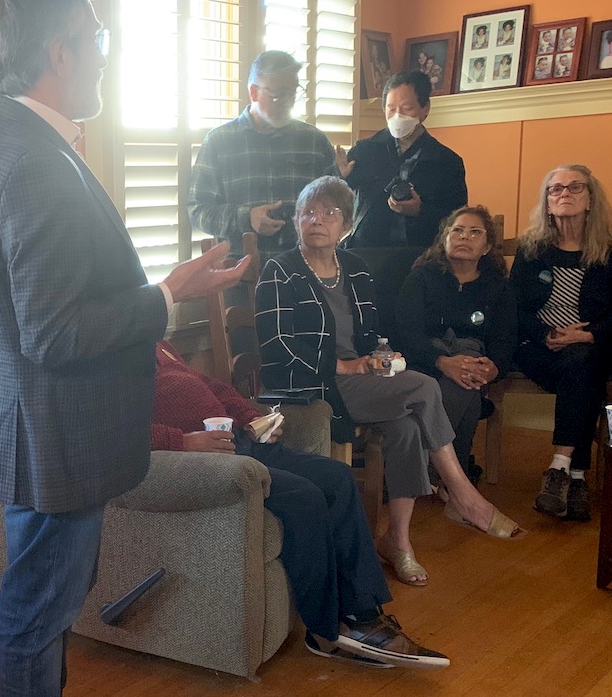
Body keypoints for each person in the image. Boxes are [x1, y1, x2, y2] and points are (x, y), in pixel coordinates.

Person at [0, 0, 251, 695]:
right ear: (62, 51)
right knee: (35, 615)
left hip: (31, 431)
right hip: (52, 438)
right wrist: (166, 296)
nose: (105, 53)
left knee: (37, 611)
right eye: (99, 37)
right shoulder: (33, 162)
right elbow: (52, 332)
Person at [256, 177, 523, 587]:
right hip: (311, 386)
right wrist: (345, 367)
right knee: (425, 387)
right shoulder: (279, 270)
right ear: (295, 220)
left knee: (406, 426)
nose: (317, 220)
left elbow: (371, 335)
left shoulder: (357, 270)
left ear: (346, 225)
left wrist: (384, 356)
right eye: (308, 212)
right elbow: (276, 347)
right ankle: (462, 494)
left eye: (329, 213)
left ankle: (396, 541)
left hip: (359, 380)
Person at [151, 340, 449, 669]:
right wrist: (181, 442)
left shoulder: (158, 343)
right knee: (304, 496)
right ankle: (326, 631)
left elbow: (211, 386)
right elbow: (105, 430)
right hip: (203, 461)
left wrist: (252, 417)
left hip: (241, 442)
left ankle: (364, 613)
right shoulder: (99, 351)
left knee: (337, 477)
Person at [511, 164, 612, 522]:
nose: (564, 194)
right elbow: (513, 307)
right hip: (538, 347)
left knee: (582, 361)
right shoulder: (531, 247)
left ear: (591, 199)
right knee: (585, 373)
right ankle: (575, 475)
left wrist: (586, 333)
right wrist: (545, 334)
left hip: (591, 343)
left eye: (575, 188)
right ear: (547, 203)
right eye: (555, 189)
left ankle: (560, 468)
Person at [394, 206, 517, 479]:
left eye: (475, 232)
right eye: (457, 230)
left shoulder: (498, 287)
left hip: (474, 364)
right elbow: (407, 332)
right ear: (445, 237)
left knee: (465, 376)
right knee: (465, 391)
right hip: (425, 360)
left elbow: (506, 337)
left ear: (486, 247)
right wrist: (441, 361)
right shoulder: (421, 278)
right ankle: (455, 476)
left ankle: (428, 472)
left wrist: (495, 368)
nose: (464, 237)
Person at [188, 50, 337, 256]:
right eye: (278, 95)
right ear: (254, 92)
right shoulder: (219, 142)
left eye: (293, 93)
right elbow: (198, 210)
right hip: (240, 274)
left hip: (305, 271)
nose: (288, 102)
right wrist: (247, 218)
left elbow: (338, 205)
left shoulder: (314, 141)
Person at [341, 71, 467, 249]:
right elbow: (335, 197)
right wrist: (339, 177)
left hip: (422, 257)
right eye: (391, 109)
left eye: (407, 108)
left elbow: (457, 220)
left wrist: (420, 210)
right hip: (367, 253)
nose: (397, 116)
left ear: (425, 109)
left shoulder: (447, 162)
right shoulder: (365, 150)